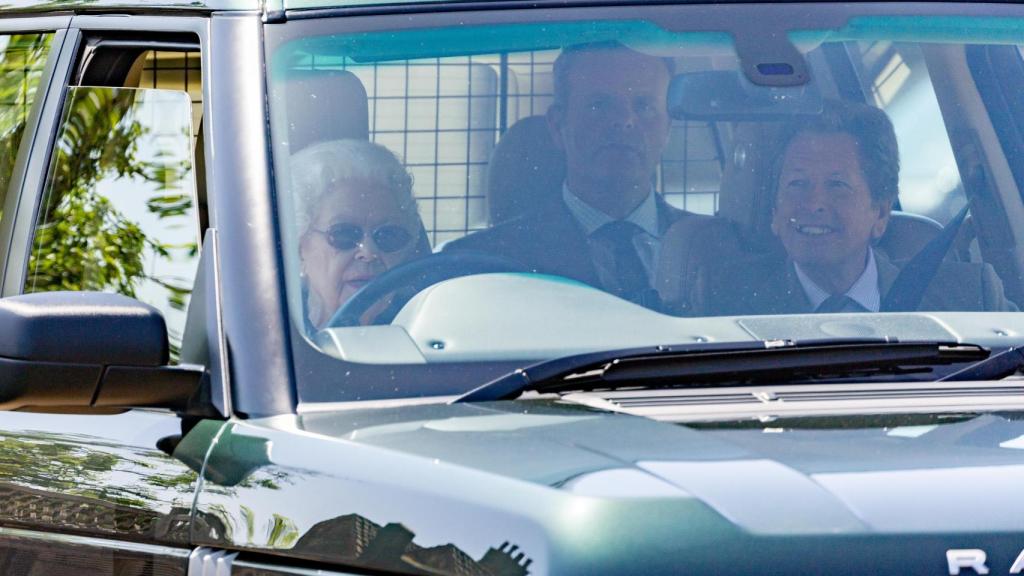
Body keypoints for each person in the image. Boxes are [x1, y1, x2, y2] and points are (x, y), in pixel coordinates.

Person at [445, 41, 738, 310]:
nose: (625, 121)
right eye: (600, 105)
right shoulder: (478, 267)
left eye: (644, 106)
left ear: (667, 129)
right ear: (558, 125)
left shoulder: (722, 250)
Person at [689, 99, 1015, 315]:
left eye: (837, 185)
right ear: (774, 212)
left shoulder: (971, 298)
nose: (813, 204)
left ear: (881, 212)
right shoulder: (725, 304)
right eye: (797, 184)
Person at [292, 139, 430, 330]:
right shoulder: (268, 332)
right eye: (344, 234)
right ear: (300, 247)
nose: (369, 252)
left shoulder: (431, 326)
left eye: (388, 235)